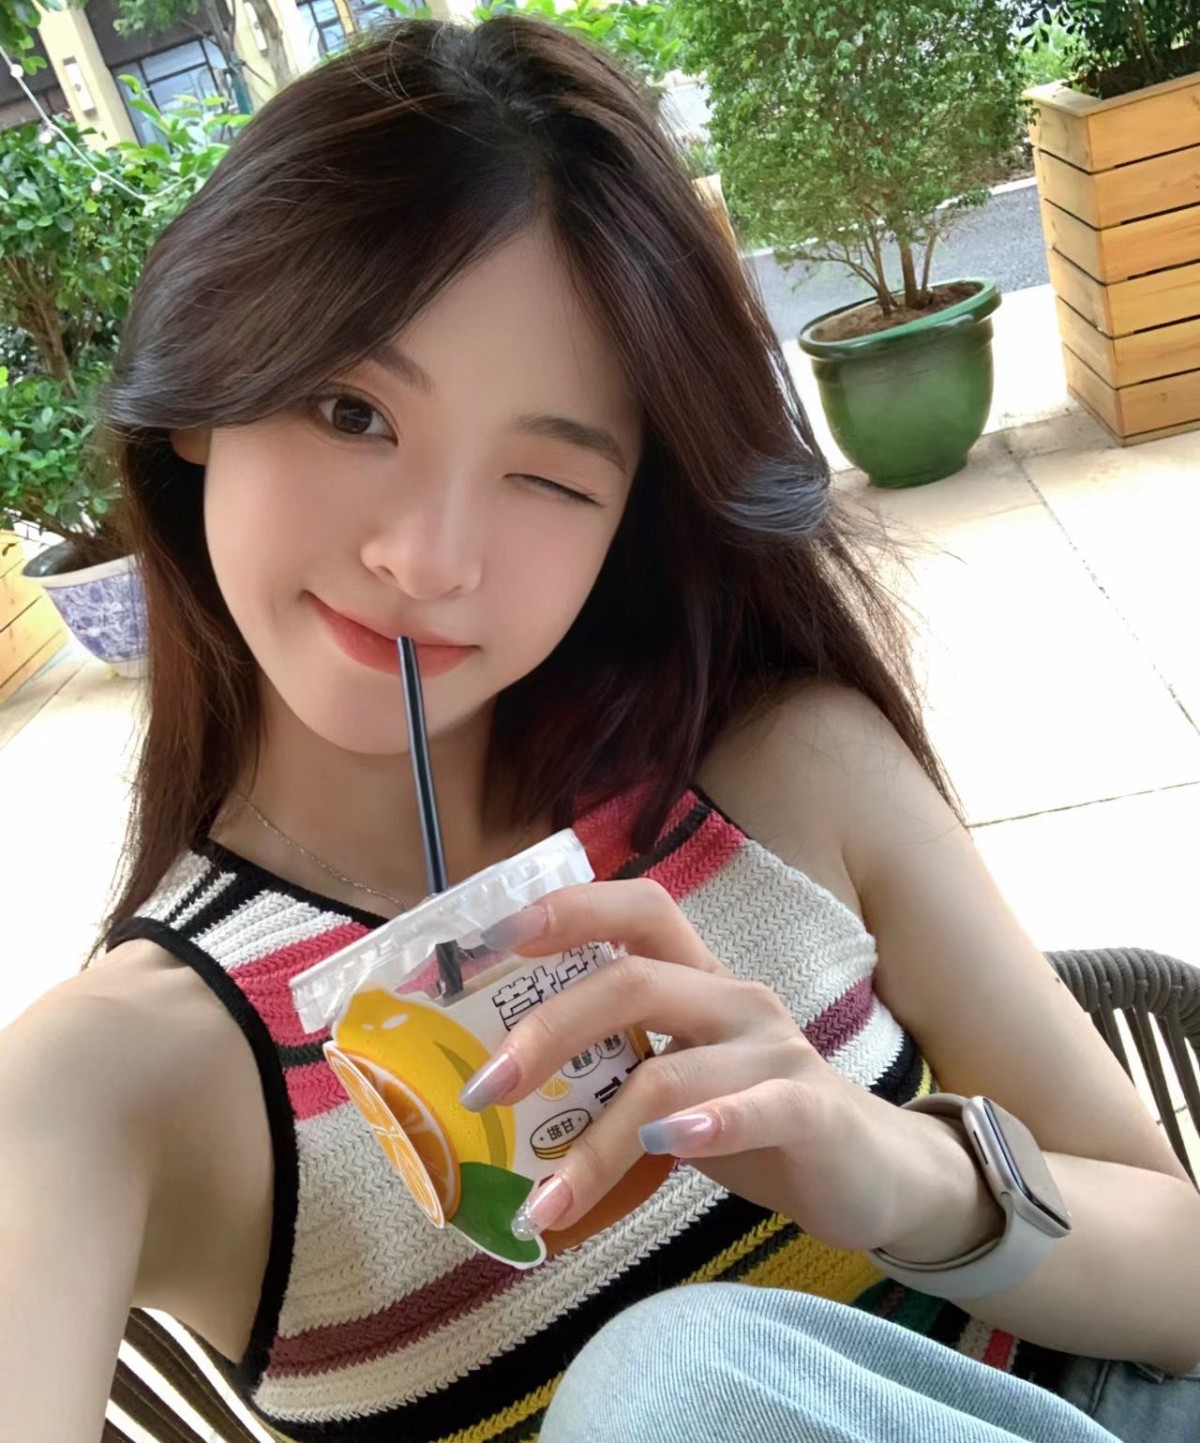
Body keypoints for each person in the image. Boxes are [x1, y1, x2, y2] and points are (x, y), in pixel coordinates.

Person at [1, 12, 1197, 1443]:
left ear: (632, 511)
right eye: (350, 410)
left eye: (549, 478)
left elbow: (1185, 1273)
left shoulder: (778, 772)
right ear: (203, 390)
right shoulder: (111, 1089)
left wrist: (893, 1172)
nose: (429, 559)